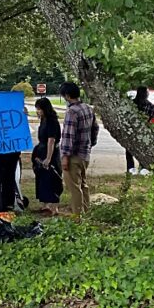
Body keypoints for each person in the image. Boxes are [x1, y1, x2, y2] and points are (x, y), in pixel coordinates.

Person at [60, 82, 98, 215]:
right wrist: (91, 143)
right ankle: (86, 212)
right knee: (83, 184)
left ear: (67, 96)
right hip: (85, 153)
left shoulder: (72, 112)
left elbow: (68, 136)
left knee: (74, 187)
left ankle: (78, 216)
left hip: (73, 156)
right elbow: (95, 128)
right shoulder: (88, 108)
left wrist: (65, 156)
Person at [32, 97, 63, 215]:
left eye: (39, 109)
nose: (37, 111)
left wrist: (49, 158)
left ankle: (54, 207)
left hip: (50, 152)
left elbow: (51, 140)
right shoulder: (43, 120)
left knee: (53, 178)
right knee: (42, 179)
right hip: (41, 150)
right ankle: (45, 204)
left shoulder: (52, 121)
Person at [126, 86, 154, 175]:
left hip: (131, 130)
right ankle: (143, 167)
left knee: (129, 149)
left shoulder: (131, 103)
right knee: (143, 148)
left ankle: (131, 168)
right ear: (145, 94)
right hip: (143, 130)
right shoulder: (148, 105)